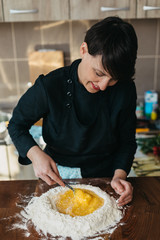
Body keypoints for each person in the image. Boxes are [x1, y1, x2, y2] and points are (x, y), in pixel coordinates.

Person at [8, 16, 138, 207]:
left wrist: (119, 175)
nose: (103, 86)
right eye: (99, 73)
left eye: (113, 80)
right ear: (84, 50)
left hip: (106, 176)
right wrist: (35, 154)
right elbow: (16, 125)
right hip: (56, 176)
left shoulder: (125, 90)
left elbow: (127, 141)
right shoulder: (50, 85)